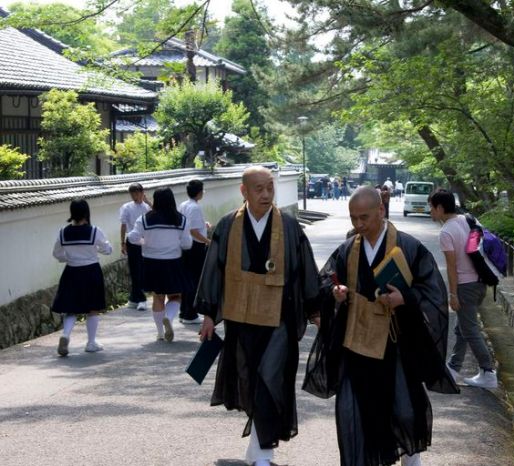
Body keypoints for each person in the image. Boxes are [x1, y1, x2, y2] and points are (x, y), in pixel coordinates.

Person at [304, 186, 457, 466]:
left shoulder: (409, 247)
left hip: (395, 344)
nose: (359, 224)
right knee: (353, 411)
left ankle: (412, 460)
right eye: (354, 219)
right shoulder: (348, 248)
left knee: (404, 409)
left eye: (365, 217)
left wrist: (405, 298)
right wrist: (335, 291)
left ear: (381, 211)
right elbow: (325, 280)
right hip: (356, 341)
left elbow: (434, 293)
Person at [196, 166, 321, 466]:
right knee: (250, 381)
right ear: (244, 191)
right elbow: (214, 268)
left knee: (271, 380)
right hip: (241, 321)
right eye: (258, 189)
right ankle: (256, 449)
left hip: (279, 319)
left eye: (270, 188)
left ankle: (263, 454)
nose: (266, 194)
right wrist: (210, 314)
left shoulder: (290, 227)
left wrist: (315, 309)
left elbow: (304, 269)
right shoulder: (227, 226)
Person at [429, 189, 497, 389]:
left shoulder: (446, 232)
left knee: (470, 330)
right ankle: (453, 367)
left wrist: (452, 293)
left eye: (431, 208)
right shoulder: (468, 219)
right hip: (480, 283)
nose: (430, 212)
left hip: (465, 287)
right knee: (462, 328)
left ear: (440, 208)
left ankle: (488, 372)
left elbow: (452, 267)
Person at [128, 187, 192, 342]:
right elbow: (187, 244)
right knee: (176, 296)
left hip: (151, 262)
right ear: (172, 200)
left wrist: (144, 241)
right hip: (173, 262)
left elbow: (132, 237)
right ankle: (169, 318)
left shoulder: (144, 219)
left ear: (155, 200)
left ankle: (160, 333)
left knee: (158, 297)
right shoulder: (181, 219)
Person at [52, 199, 112, 356]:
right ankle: (91, 343)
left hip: (71, 272)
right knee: (92, 309)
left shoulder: (63, 232)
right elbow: (107, 249)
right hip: (91, 271)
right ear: (86, 212)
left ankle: (65, 335)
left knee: (71, 309)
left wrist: (69, 258)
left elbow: (57, 254)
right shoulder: (94, 231)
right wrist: (96, 250)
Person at [178, 179, 210, 325]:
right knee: (195, 280)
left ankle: (184, 311)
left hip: (185, 246)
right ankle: (190, 313)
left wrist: (204, 225)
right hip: (195, 247)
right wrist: (207, 241)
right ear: (199, 192)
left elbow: (188, 226)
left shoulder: (184, 205)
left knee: (187, 279)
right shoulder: (195, 208)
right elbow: (194, 231)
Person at [119, 183, 151, 311]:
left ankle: (138, 298)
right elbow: (123, 225)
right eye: (132, 193)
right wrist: (122, 242)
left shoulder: (147, 207)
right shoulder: (126, 207)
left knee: (141, 270)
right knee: (134, 270)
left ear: (142, 193)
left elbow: (158, 212)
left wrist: (148, 201)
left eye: (137, 193)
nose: (134, 196)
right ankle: (137, 298)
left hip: (145, 241)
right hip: (132, 241)